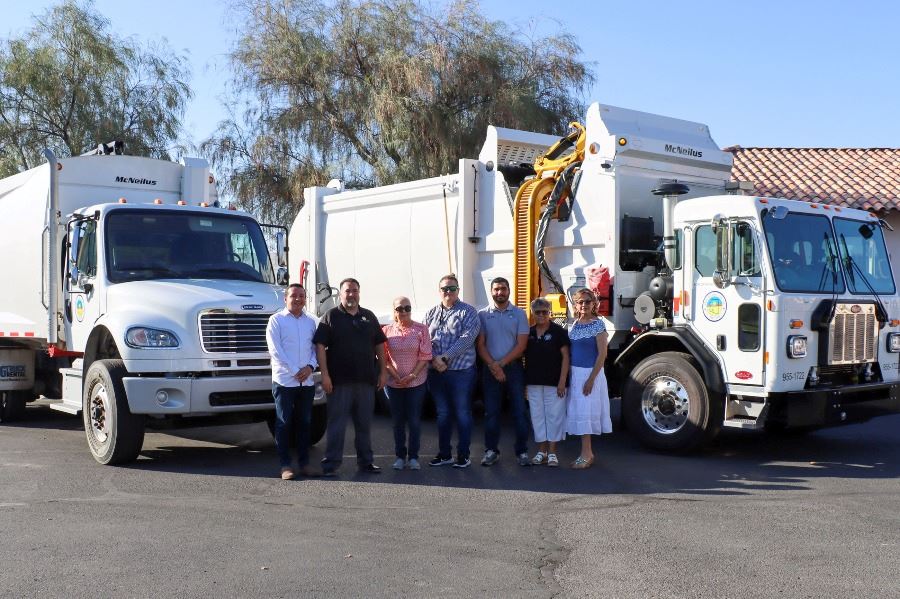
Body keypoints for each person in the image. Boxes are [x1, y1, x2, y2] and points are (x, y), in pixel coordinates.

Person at [313, 278, 388, 476]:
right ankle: (330, 465)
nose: (351, 294)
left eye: (355, 291)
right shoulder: (331, 316)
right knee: (337, 425)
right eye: (347, 291)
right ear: (341, 293)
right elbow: (320, 346)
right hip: (339, 383)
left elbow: (379, 344)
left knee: (364, 425)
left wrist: (383, 371)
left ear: (359, 293)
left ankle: (366, 463)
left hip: (366, 381)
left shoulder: (369, 316)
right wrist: (325, 375)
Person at [423, 274, 480, 468]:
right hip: (436, 372)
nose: (448, 292)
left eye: (452, 288)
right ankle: (444, 454)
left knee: (463, 413)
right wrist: (433, 359)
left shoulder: (469, 312)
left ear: (458, 290)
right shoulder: (430, 313)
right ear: (439, 291)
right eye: (445, 289)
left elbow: (467, 338)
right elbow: (424, 341)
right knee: (443, 414)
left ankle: (463, 455)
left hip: (461, 372)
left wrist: (445, 357)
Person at [265, 284, 320, 480]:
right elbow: (275, 351)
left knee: (305, 423)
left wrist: (310, 367)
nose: (298, 299)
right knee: (284, 422)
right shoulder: (276, 320)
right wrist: (295, 371)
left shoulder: (310, 322)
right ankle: (285, 465)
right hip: (284, 381)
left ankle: (304, 464)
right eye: (293, 296)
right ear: (285, 299)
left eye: (301, 296)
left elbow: (315, 349)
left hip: (306, 382)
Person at [476, 277, 530, 467]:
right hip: (489, 370)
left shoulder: (519, 314)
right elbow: (480, 344)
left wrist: (501, 364)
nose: (500, 292)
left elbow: (522, 344)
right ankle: (491, 451)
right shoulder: (482, 315)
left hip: (514, 368)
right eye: (496, 289)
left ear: (509, 290)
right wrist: (493, 365)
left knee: (519, 412)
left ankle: (522, 452)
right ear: (491, 292)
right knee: (491, 413)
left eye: (503, 289)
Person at [382, 296, 432, 470]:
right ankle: (400, 456)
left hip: (416, 383)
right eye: (399, 309)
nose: (403, 311)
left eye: (407, 308)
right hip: (393, 384)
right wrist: (395, 376)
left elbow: (425, 356)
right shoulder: (387, 331)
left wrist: (411, 375)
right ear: (393, 311)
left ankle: (413, 457)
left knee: (414, 421)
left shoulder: (421, 329)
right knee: (397, 421)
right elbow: (383, 357)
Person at [566, 288, 612, 469]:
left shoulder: (598, 325)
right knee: (578, 412)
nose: (584, 305)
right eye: (580, 302)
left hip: (590, 374)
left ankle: (587, 454)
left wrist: (591, 379)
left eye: (587, 301)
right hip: (576, 375)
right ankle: (585, 452)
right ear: (575, 305)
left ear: (593, 304)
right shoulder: (574, 324)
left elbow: (602, 355)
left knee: (585, 414)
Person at [524, 297, 570, 468]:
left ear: (549, 312)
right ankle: (541, 451)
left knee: (554, 417)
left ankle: (552, 452)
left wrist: (562, 381)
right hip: (534, 382)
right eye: (538, 312)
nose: (542, 315)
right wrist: (524, 385)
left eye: (545, 312)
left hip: (554, 383)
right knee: (537, 417)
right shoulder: (528, 333)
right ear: (532, 313)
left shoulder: (559, 332)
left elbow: (566, 357)